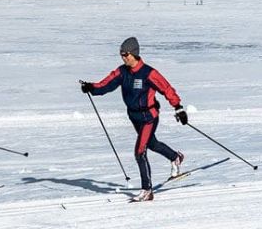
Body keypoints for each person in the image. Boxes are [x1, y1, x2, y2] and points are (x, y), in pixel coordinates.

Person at [81, 36, 189, 201]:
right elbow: (106, 85)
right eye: (121, 54)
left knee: (140, 151)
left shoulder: (148, 73)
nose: (123, 57)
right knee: (152, 144)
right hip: (134, 116)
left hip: (149, 116)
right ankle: (175, 157)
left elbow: (166, 88)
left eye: (126, 54)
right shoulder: (122, 72)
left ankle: (147, 190)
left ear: (134, 54)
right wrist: (91, 87)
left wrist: (178, 107)